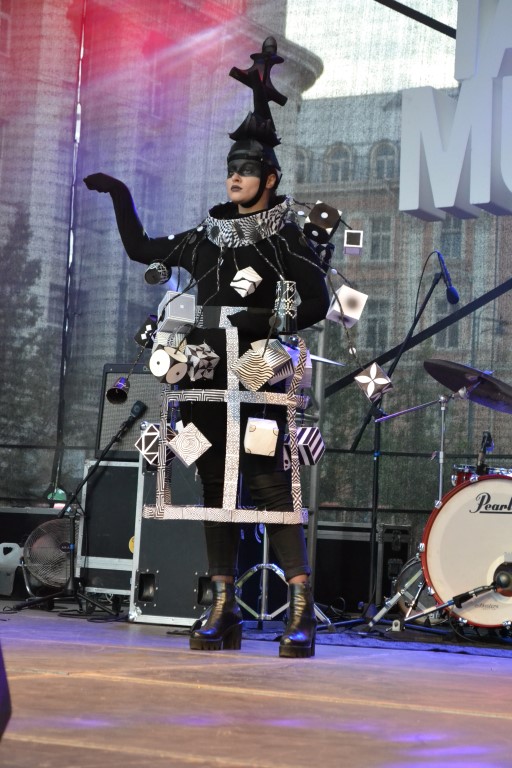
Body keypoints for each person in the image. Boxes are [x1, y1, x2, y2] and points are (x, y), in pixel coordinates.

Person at [83, 38, 330, 658]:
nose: (234, 176)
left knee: (272, 487)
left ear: (270, 179)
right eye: (230, 167)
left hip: (260, 380)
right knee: (215, 487)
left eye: (246, 169)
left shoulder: (284, 241)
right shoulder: (204, 240)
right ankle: (223, 609)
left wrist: (255, 318)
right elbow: (141, 249)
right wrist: (120, 193)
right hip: (203, 385)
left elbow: (317, 301)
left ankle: (302, 611)